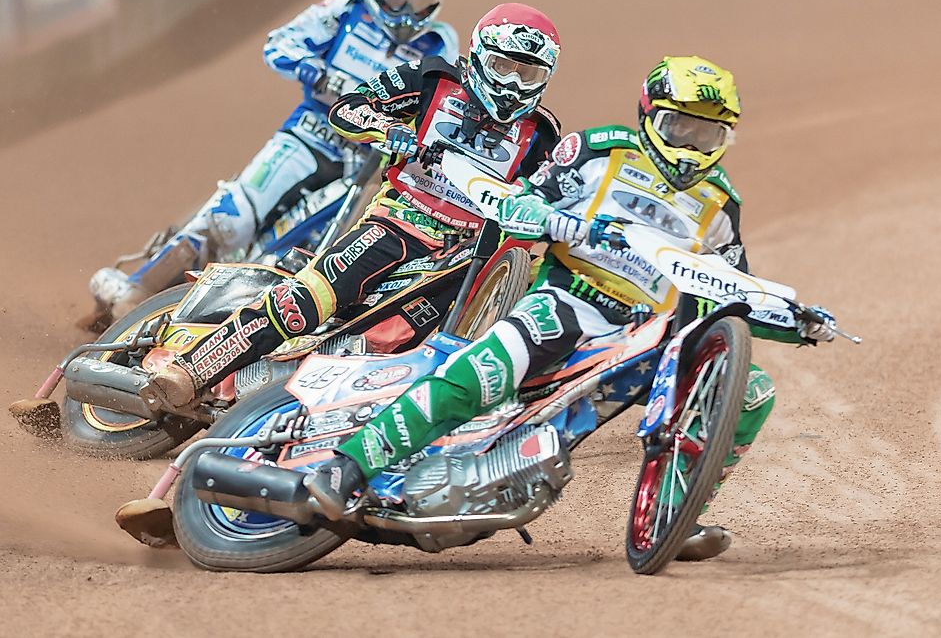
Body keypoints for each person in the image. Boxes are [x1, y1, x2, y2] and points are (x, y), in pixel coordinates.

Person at [300, 55, 839, 561]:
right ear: (651, 115)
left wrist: (799, 321)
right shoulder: (597, 150)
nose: (692, 147)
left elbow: (732, 289)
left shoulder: (721, 203)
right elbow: (524, 199)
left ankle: (679, 509)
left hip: (650, 332)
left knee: (751, 393)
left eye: (708, 134)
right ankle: (348, 467)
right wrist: (547, 218)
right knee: (482, 375)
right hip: (568, 299)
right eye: (682, 129)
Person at [148, 3, 563, 407]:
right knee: (311, 297)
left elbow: (557, 202)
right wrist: (386, 128)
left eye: (528, 72)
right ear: (478, 56)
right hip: (398, 222)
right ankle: (190, 369)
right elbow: (350, 107)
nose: (513, 83)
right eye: (504, 66)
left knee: (399, 337)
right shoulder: (431, 79)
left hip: (464, 254)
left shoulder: (542, 135)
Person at [89, 0, 459, 321]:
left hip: (367, 165)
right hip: (310, 134)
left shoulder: (440, 43)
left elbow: (442, 108)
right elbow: (280, 43)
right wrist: (311, 69)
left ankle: (225, 317)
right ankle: (137, 290)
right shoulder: (350, 9)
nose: (408, 12)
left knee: (309, 253)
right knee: (233, 219)